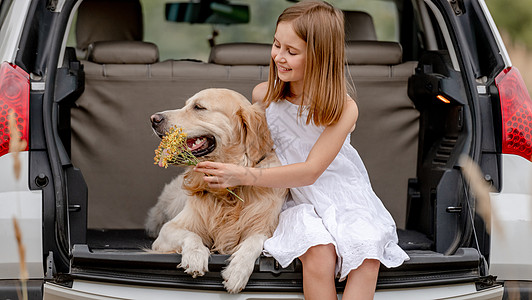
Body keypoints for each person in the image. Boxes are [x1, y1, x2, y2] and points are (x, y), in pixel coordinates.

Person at [193, 1, 409, 299]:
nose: (279, 57)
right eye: (276, 45)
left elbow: (310, 171)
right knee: (318, 251)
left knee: (365, 252)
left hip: (342, 196)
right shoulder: (263, 97)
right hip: (294, 198)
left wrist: (243, 175)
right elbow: (251, 146)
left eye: (291, 52)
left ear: (320, 58)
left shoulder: (344, 108)